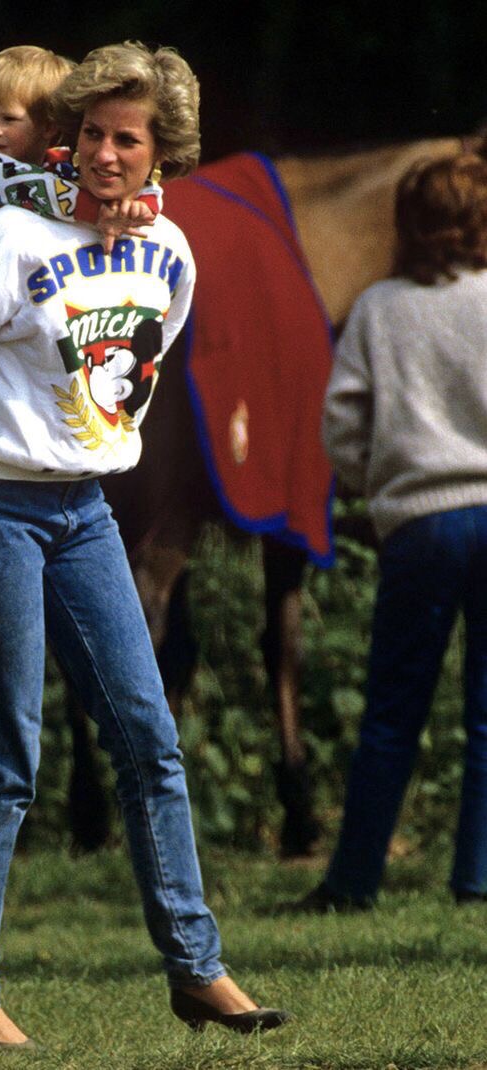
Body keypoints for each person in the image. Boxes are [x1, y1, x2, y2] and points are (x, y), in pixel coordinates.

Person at [0, 40, 291, 1049]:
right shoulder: (4, 237)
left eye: (129, 139)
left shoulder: (171, 254)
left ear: (162, 154)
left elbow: (132, 377)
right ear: (71, 139)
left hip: (88, 513)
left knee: (150, 738)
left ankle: (198, 970)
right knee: (6, 749)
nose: (108, 154)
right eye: (94, 135)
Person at [298, 153, 487, 912]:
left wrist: (375, 485)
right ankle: (476, 878)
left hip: (417, 522)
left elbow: (342, 424)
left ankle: (353, 882)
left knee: (391, 710)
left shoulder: (378, 307)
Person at [0, 44, 159, 547]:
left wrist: (133, 207)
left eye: (8, 119)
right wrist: (105, 211)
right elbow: (41, 196)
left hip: (7, 308)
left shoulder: (63, 167)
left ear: (50, 128)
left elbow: (144, 193)